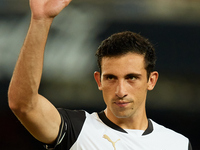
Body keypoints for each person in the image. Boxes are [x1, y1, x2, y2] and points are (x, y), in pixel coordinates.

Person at [8, 0, 192, 150]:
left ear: (151, 81)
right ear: (99, 80)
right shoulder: (78, 130)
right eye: (111, 78)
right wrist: (41, 21)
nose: (121, 91)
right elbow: (23, 104)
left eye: (131, 78)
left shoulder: (178, 144)